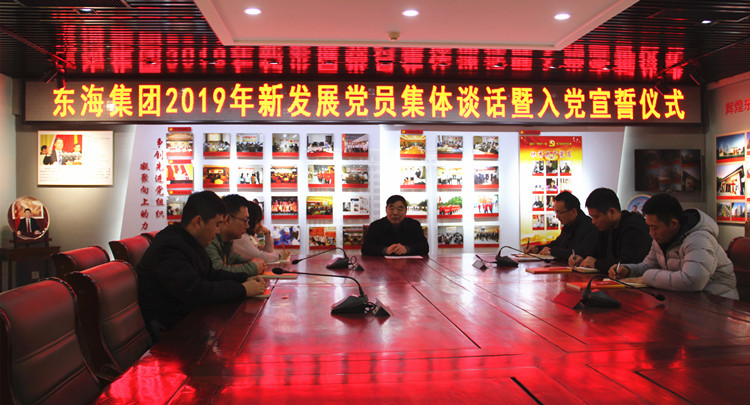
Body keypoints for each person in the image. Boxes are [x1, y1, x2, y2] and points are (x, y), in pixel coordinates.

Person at [136, 191, 267, 338]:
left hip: (189, 320)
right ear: (198, 222)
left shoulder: (190, 241)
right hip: (170, 331)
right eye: (217, 225)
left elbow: (211, 274)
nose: (218, 231)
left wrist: (244, 279)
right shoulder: (170, 247)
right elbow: (195, 291)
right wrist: (242, 289)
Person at [610, 193, 739, 299]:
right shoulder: (661, 238)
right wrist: (627, 269)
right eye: (649, 227)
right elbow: (648, 266)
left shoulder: (699, 239)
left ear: (673, 224)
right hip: (687, 299)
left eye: (654, 227)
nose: (651, 233)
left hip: (719, 302)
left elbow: (693, 281)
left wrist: (647, 278)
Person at [569, 188, 651, 272]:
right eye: (592, 217)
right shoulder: (606, 227)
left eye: (596, 217)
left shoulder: (634, 228)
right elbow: (595, 254)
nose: (593, 222)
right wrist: (582, 259)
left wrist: (596, 263)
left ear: (612, 212)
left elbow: (626, 265)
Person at [524, 191, 598, 260]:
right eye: (555, 212)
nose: (557, 216)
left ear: (573, 211)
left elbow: (579, 253)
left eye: (559, 213)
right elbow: (557, 244)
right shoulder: (568, 225)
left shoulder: (590, 227)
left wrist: (552, 251)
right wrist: (537, 248)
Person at [205, 194, 267, 276]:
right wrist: (254, 267)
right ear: (228, 219)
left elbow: (235, 259)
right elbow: (218, 271)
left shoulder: (227, 240)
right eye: (245, 220)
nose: (247, 226)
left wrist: (253, 262)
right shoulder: (209, 239)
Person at [362, 194, 429, 256]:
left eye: (399, 209)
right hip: (382, 264)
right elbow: (365, 248)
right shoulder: (375, 226)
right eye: (391, 209)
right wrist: (385, 250)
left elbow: (424, 247)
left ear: (405, 210)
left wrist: (407, 249)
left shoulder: (414, 225)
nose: (395, 213)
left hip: (409, 263)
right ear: (386, 209)